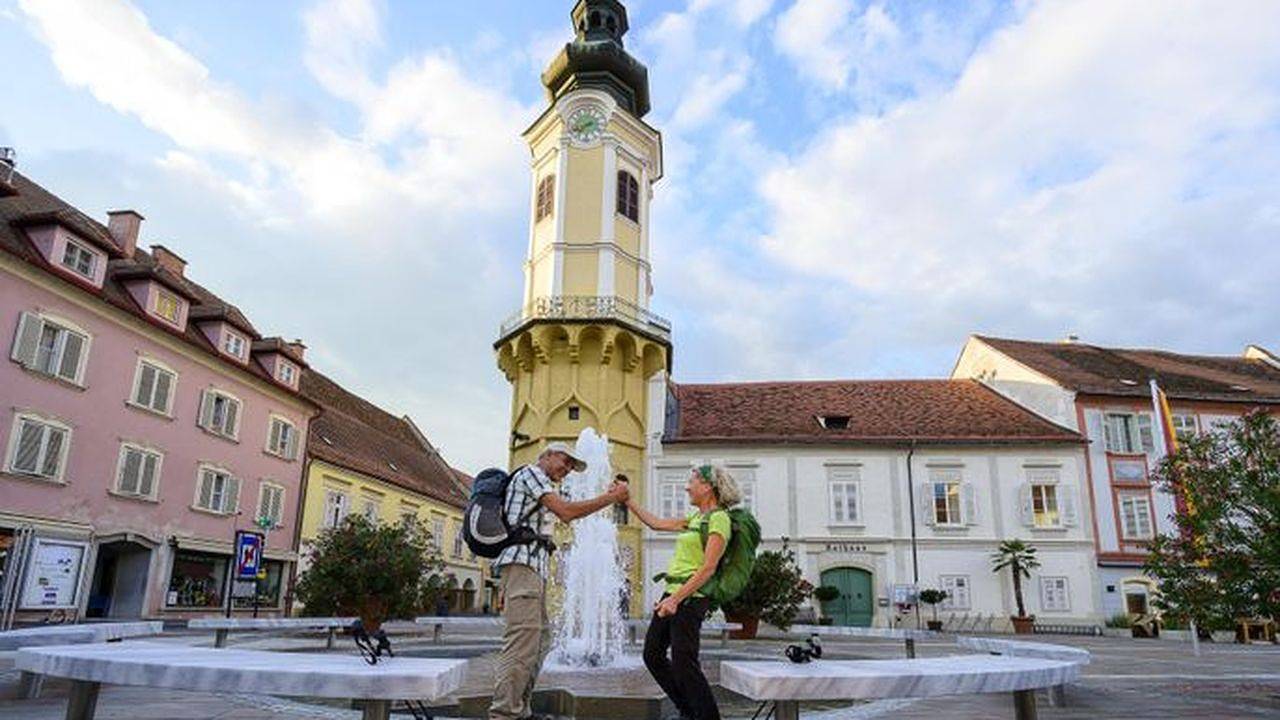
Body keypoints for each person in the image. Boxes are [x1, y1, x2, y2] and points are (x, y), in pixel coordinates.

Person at [489, 441, 630, 720]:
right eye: (564, 461)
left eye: (570, 466)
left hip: (534, 568)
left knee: (540, 641)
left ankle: (521, 710)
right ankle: (504, 713)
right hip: (521, 566)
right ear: (548, 455)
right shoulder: (531, 474)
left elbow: (567, 515)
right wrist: (610, 498)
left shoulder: (545, 485)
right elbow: (567, 512)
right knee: (521, 643)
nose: (566, 469)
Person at [627, 464, 742, 720]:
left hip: (691, 598)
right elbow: (656, 524)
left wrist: (676, 600)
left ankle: (706, 716)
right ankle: (689, 710)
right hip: (673, 594)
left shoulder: (719, 519)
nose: (687, 486)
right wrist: (628, 501)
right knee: (653, 654)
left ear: (708, 486)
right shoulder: (695, 519)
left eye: (692, 481)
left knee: (684, 662)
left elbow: (708, 568)